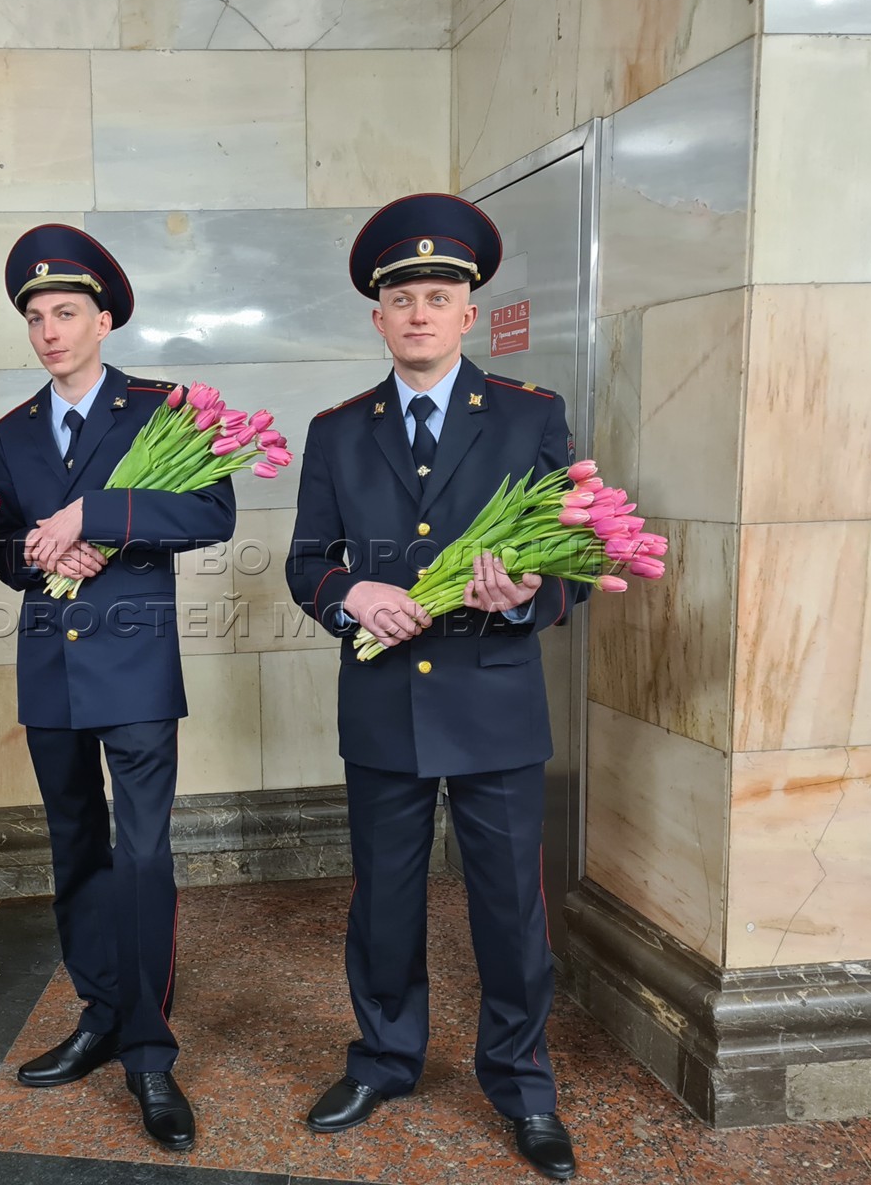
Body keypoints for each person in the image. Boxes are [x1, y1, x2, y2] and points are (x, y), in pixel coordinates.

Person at [285, 193, 583, 1182]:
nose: (419, 310)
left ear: (468, 312)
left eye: (438, 294)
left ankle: (521, 1084)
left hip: (494, 701)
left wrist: (530, 588)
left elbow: (570, 560)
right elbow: (305, 563)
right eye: (401, 296)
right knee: (383, 903)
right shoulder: (337, 432)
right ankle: (381, 1060)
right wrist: (350, 594)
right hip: (381, 707)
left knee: (509, 910)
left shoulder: (528, 417)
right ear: (378, 317)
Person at [0, 225, 236, 1152]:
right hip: (49, 666)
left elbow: (214, 510)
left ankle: (149, 1050)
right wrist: (35, 548)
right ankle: (97, 1012)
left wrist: (101, 515)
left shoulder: (161, 406)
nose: (49, 331)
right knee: (73, 847)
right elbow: (3, 545)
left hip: (132, 665)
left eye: (65, 313)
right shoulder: (15, 428)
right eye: (36, 317)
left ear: (103, 319)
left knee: (142, 854)